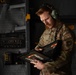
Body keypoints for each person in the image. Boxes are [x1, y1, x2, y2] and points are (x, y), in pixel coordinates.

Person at [31, 3, 74, 75]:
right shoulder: (46, 32)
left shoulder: (65, 31)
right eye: (42, 21)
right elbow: (40, 45)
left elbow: (66, 56)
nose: (45, 23)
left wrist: (45, 66)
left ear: (54, 15)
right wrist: (37, 51)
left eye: (47, 19)